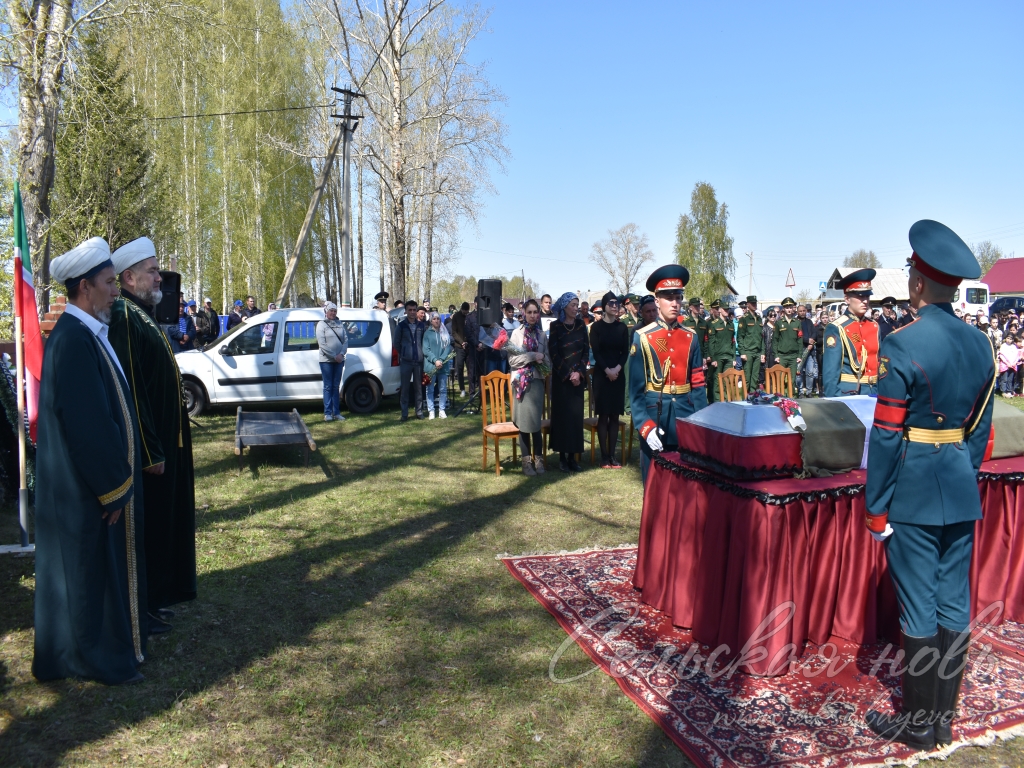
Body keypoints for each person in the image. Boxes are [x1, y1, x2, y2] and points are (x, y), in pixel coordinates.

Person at [865, 220, 996, 751]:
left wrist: (877, 506)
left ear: (917, 282)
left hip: (915, 489)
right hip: (959, 484)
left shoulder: (901, 344)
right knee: (953, 602)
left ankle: (920, 725)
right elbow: (981, 430)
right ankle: (942, 718)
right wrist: (960, 470)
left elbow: (888, 435)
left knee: (918, 605)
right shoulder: (982, 343)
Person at [33, 238, 149, 685]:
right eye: (107, 282)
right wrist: (112, 487)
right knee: (85, 575)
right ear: (84, 288)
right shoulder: (76, 340)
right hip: (85, 491)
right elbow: (87, 423)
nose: (115, 290)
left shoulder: (86, 333)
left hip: (90, 488)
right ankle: (92, 658)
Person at [108, 237, 197, 632]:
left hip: (168, 441)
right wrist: (149, 451)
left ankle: (158, 597)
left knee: (166, 524)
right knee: (150, 529)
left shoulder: (143, 313)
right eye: (152, 271)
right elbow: (134, 390)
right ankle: (142, 607)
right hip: (153, 448)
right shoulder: (125, 316)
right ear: (129, 277)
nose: (159, 277)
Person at [629, 265, 708, 484]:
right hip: (655, 416)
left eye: (678, 297)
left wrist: (701, 423)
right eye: (668, 297)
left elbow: (698, 384)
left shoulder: (691, 337)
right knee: (654, 483)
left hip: (685, 415)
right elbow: (635, 391)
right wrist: (645, 426)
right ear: (657, 301)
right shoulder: (643, 337)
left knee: (685, 482)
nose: (674, 303)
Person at [508, 299, 551, 475]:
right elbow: (512, 360)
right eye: (530, 312)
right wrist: (532, 356)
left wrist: (543, 360)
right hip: (520, 383)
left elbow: (548, 360)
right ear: (524, 313)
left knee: (535, 423)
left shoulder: (541, 335)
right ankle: (526, 462)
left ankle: (539, 460)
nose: (533, 315)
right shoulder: (516, 335)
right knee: (524, 423)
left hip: (537, 382)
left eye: (535, 312)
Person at [823, 269, 882, 396]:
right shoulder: (837, 327)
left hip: (876, 391)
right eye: (860, 296)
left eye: (867, 296)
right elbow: (831, 372)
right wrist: (833, 403)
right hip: (849, 393)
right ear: (847, 299)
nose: (865, 301)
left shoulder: (874, 326)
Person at [548, 292, 589, 472]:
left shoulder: (581, 326)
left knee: (575, 418)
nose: (576, 308)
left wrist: (579, 373)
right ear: (564, 306)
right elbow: (554, 353)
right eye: (573, 304)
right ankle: (562, 458)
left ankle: (573, 457)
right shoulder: (555, 326)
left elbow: (586, 351)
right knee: (562, 418)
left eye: (577, 304)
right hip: (562, 380)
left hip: (577, 380)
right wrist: (568, 374)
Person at [589, 291, 629, 467]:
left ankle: (613, 455)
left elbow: (625, 352)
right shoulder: (596, 328)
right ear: (604, 306)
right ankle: (604, 456)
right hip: (602, 375)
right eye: (611, 303)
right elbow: (596, 352)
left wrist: (617, 369)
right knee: (603, 415)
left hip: (618, 375)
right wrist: (607, 370)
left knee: (614, 415)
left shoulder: (622, 328)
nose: (615, 306)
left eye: (617, 303)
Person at [316, 301, 348, 422]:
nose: (333, 313)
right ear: (326, 311)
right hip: (326, 361)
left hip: (339, 360)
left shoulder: (340, 324)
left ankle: (337, 413)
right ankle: (328, 413)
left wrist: (341, 354)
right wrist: (334, 356)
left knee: (336, 386)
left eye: (335, 311)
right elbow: (322, 344)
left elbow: (345, 340)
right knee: (328, 386)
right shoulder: (321, 325)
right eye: (331, 311)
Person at [396, 300, 425, 421]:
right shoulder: (401, 326)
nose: (412, 312)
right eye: (410, 310)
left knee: (418, 388)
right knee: (405, 388)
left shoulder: (421, 326)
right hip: (406, 362)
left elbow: (424, 341)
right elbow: (396, 342)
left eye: (414, 310)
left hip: (418, 361)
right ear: (406, 311)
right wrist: (403, 353)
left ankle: (419, 412)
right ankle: (404, 413)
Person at [423, 311, 452, 419]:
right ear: (431, 321)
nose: (436, 321)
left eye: (438, 319)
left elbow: (447, 348)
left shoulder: (444, 333)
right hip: (431, 366)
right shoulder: (427, 334)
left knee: (443, 389)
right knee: (429, 389)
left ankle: (442, 410)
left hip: (443, 365)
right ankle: (431, 411)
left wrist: (441, 360)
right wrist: (435, 360)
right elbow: (426, 349)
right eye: (434, 319)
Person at [706, 300, 735, 402]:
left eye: (728, 309)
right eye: (725, 309)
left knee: (727, 380)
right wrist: (713, 358)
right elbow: (711, 342)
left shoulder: (731, 324)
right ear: (720, 310)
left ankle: (726, 401)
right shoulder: (714, 324)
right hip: (718, 357)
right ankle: (717, 402)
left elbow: (733, 342)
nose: (727, 311)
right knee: (717, 381)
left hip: (728, 356)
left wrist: (733, 358)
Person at [773, 297, 802, 392]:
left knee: (792, 379)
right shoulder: (778, 323)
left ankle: (791, 399)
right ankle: (781, 399)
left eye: (790, 307)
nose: (789, 309)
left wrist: (799, 355)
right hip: (782, 356)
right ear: (783, 309)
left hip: (793, 356)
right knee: (780, 378)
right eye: (787, 307)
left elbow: (800, 340)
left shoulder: (797, 323)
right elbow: (775, 340)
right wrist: (776, 355)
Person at [737, 295, 764, 393]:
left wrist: (762, 352)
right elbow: (740, 337)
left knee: (755, 377)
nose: (754, 305)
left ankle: (752, 396)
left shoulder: (759, 318)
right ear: (748, 305)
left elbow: (761, 337)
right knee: (747, 377)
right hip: (748, 351)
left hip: (757, 351)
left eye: (755, 303)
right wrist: (742, 352)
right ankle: (745, 397)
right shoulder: (744, 318)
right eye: (752, 303)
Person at [681, 296, 709, 362]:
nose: (697, 308)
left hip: (701, 354)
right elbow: (683, 340)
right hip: (689, 354)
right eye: (695, 306)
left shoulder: (704, 322)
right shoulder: (685, 322)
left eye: (698, 306)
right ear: (690, 307)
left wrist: (705, 356)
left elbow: (706, 340)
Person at [451, 302, 470, 396]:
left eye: (467, 312)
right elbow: (454, 332)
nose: (466, 313)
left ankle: (471, 388)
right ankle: (462, 388)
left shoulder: (469, 316)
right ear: (461, 309)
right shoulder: (456, 317)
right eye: (464, 312)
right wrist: (461, 342)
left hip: (469, 346)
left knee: (470, 368)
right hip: (459, 346)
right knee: (460, 367)